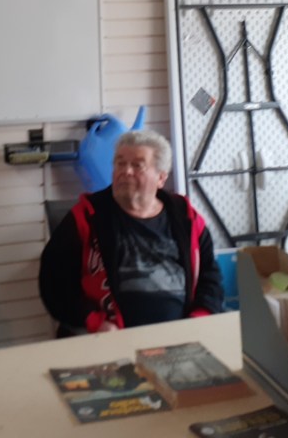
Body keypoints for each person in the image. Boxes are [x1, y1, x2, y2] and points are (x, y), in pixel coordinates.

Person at [38, 129, 223, 333]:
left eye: (137, 165)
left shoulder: (186, 218)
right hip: (112, 337)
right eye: (120, 163)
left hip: (181, 333)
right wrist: (94, 321)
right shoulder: (86, 217)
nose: (126, 171)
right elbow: (53, 283)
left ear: (161, 178)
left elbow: (210, 277)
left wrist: (200, 317)